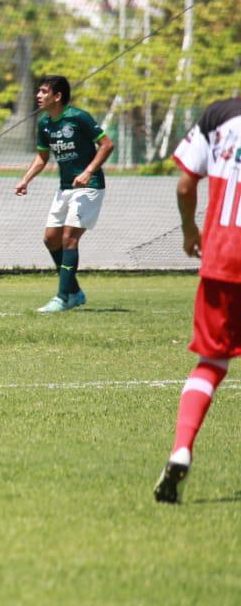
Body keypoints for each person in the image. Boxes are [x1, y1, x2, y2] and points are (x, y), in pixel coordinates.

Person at [154, 96, 241, 503]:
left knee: (212, 362)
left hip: (223, 256)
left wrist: (190, 230)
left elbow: (186, 183)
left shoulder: (219, 116)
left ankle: (181, 448)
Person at [14, 75, 115, 313]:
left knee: (70, 238)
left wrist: (89, 171)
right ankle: (75, 292)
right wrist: (25, 180)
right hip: (65, 188)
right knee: (51, 239)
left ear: (57, 96)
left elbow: (107, 144)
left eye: (43, 91)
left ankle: (62, 297)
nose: (38, 96)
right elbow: (42, 157)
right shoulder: (44, 124)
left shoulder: (78, 117)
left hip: (89, 187)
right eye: (38, 91)